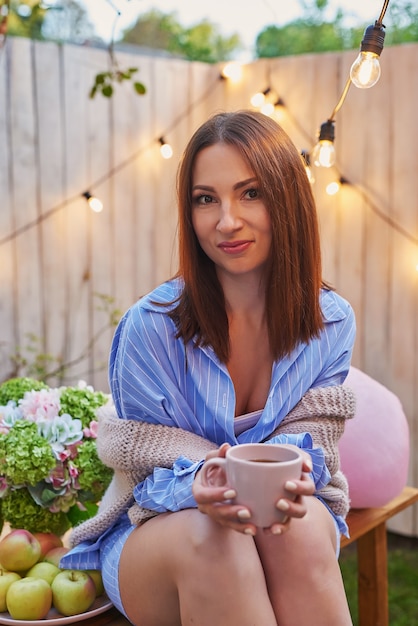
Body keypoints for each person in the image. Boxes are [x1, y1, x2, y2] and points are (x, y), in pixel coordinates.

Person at [61, 110, 356, 626]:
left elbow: (313, 447)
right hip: (156, 523)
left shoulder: (332, 321)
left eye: (251, 193)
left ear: (287, 198)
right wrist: (202, 484)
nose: (226, 221)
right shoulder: (149, 328)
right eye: (205, 199)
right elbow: (138, 460)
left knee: (300, 531)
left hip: (286, 522)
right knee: (217, 537)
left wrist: (272, 488)